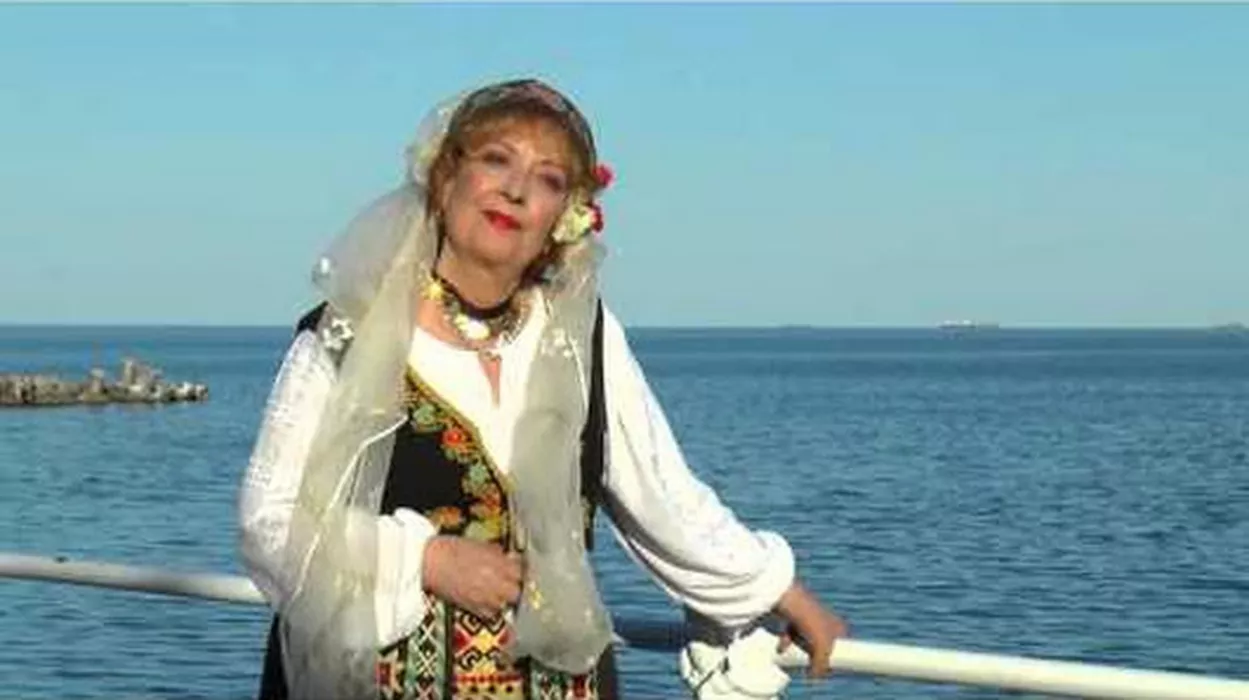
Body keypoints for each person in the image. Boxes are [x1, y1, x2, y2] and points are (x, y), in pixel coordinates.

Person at [238, 78, 846, 700]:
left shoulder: (580, 335)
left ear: (564, 216)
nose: (517, 190)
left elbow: (660, 494)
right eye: (496, 160)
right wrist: (423, 560)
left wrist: (775, 589)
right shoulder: (348, 333)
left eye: (549, 179)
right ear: (446, 179)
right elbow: (270, 521)